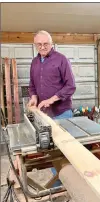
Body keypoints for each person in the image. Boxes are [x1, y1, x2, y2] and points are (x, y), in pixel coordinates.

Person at [28, 30, 76, 187]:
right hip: (45, 115)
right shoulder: (34, 62)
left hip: (62, 112)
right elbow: (32, 86)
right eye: (39, 44)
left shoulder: (61, 60)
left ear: (51, 43)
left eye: (45, 44)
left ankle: (71, 184)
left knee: (65, 151)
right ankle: (59, 184)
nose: (42, 47)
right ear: (35, 45)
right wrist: (34, 97)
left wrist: (51, 99)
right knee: (52, 151)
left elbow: (71, 86)